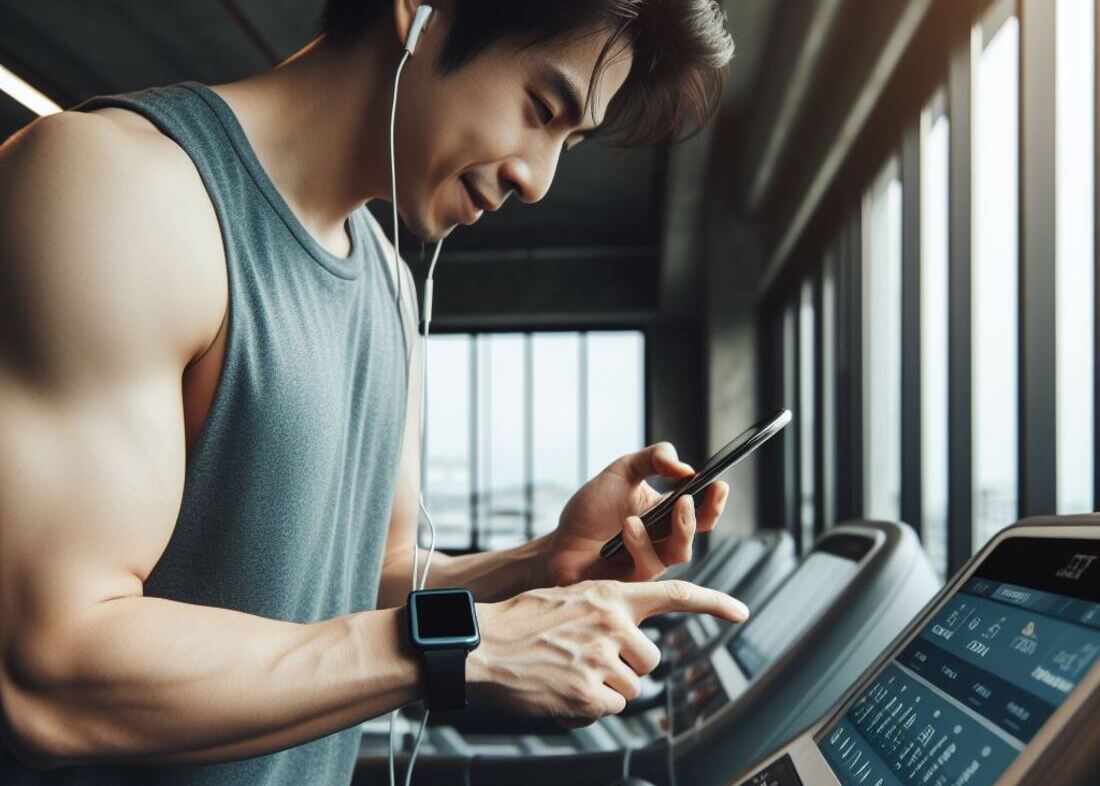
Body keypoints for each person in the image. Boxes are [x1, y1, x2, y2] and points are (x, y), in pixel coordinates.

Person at [0, 1, 741, 783]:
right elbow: (52, 672)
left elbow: (375, 576)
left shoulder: (388, 285)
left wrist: (539, 566)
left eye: (568, 140)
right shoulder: (119, 190)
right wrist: (468, 649)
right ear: (418, 13)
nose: (538, 179)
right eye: (541, 108)